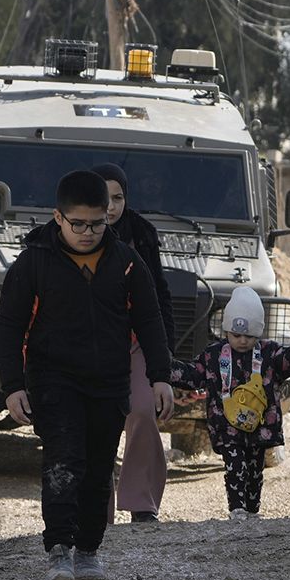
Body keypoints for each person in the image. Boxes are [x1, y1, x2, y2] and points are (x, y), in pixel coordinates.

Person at [0, 169, 174, 580]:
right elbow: (8, 324)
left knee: (97, 468)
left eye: (97, 223)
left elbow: (150, 320)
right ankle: (59, 550)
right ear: (58, 218)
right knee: (63, 461)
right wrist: (12, 385)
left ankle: (89, 549)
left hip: (108, 383)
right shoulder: (34, 261)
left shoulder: (127, 264)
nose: (88, 232)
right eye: (78, 224)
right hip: (53, 379)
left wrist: (159, 377)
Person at [169, 286, 290, 519]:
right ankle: (237, 509)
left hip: (259, 428)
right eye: (236, 334)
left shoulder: (270, 354)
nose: (242, 340)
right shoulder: (213, 355)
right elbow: (193, 374)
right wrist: (163, 367)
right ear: (226, 331)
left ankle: (252, 510)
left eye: (249, 336)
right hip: (227, 426)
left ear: (259, 333)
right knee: (234, 466)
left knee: (254, 470)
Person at [95, 162, 176, 522]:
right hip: (91, 346)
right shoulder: (69, 235)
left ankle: (142, 504)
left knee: (142, 411)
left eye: (118, 198)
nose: (111, 206)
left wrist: (164, 364)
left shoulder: (141, 234)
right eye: (103, 197)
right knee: (97, 424)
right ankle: (97, 512)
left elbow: (159, 296)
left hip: (137, 343)